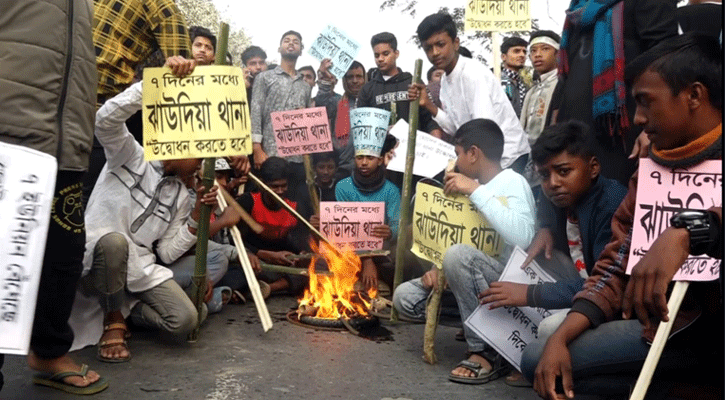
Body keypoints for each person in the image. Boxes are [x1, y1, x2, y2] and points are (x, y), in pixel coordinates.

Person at [522, 34, 723, 400]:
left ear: (694, 96)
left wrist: (689, 232)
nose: (638, 119)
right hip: (664, 327)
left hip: (712, 327)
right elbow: (615, 264)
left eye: (646, 102)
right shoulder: (649, 169)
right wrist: (564, 335)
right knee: (543, 360)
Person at [71, 61, 232, 363]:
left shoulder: (183, 196)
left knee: (187, 319)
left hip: (140, 269)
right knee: (114, 242)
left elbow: (169, 253)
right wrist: (152, 85)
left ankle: (132, 313)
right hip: (97, 263)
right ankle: (113, 319)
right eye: (199, 156)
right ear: (180, 146)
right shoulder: (131, 155)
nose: (201, 165)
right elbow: (104, 120)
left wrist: (198, 212)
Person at [0, 0, 106, 394]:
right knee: (1, 258)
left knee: (64, 252)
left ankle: (47, 349)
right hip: (10, 132)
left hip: (67, 145)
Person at [479, 121, 627, 386]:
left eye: (563, 171)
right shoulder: (564, 194)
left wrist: (529, 294)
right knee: (530, 258)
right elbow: (547, 199)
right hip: (579, 281)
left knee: (548, 331)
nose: (553, 184)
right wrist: (545, 227)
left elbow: (604, 283)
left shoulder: (612, 203)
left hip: (607, 300)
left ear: (593, 168)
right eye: (545, 176)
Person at [394, 118, 535, 385]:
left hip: (503, 284)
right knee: (404, 297)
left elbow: (523, 236)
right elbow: (452, 239)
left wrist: (476, 191)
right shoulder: (465, 184)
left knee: (458, 256)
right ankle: (479, 324)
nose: (456, 161)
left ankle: (484, 351)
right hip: (467, 280)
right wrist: (439, 269)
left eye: (458, 154)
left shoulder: (512, 183)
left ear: (473, 153)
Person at [550, 0, 677, 186]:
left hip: (622, 137)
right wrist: (555, 122)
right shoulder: (579, 7)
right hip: (575, 136)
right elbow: (566, 72)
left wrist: (655, 128)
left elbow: (667, 60)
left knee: (619, 205)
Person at [85, 0, 193, 204]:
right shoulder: (163, 8)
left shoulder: (162, 7)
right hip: (84, 105)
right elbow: (182, 83)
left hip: (92, 109)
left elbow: (181, 74)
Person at [408, 13, 530, 175]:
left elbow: (484, 130)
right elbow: (456, 127)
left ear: (456, 43)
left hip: (507, 157)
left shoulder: (472, 74)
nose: (435, 52)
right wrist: (429, 105)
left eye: (440, 44)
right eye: (428, 48)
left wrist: (468, 175)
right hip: (484, 155)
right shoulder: (445, 81)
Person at [335, 128, 401, 291]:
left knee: (397, 270)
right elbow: (345, 229)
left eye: (369, 158)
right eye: (359, 157)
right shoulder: (343, 187)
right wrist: (366, 259)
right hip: (350, 250)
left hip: (382, 251)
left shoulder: (391, 190)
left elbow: (397, 224)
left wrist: (391, 232)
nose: (364, 162)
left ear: (379, 160)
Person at [250, 30, 311, 201]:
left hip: (298, 159)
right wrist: (257, 148)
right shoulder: (264, 78)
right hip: (270, 154)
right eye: (287, 40)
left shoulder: (306, 86)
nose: (291, 43)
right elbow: (255, 111)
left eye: (296, 42)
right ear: (279, 48)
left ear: (301, 49)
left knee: (295, 206)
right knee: (269, 204)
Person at [236, 157, 309, 296]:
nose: (280, 191)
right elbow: (234, 239)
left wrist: (302, 253)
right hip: (257, 261)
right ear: (263, 184)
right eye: (274, 186)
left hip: (284, 264)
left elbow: (302, 237)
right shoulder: (248, 201)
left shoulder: (294, 205)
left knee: (317, 266)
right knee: (235, 270)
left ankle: (269, 288)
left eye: (283, 186)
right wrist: (256, 253)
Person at [357, 32, 442, 138]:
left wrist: (435, 143)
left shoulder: (413, 82)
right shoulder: (367, 89)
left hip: (412, 150)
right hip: (381, 152)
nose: (380, 59)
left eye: (386, 54)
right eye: (376, 55)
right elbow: (362, 130)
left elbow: (430, 121)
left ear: (396, 53)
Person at [519, 30, 562, 200]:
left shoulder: (561, 84)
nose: (538, 55)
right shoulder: (532, 91)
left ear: (557, 53)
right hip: (531, 159)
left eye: (544, 49)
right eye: (533, 51)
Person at [316, 60, 367, 178]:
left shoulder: (372, 102)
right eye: (350, 77)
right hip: (340, 169)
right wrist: (325, 78)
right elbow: (321, 107)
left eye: (359, 76)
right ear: (345, 80)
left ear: (365, 79)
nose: (354, 81)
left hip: (367, 168)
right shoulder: (337, 102)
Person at [500, 36, 530, 117]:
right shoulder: (496, 82)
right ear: (503, 57)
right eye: (516, 51)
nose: (522, 55)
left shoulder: (524, 85)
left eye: (524, 52)